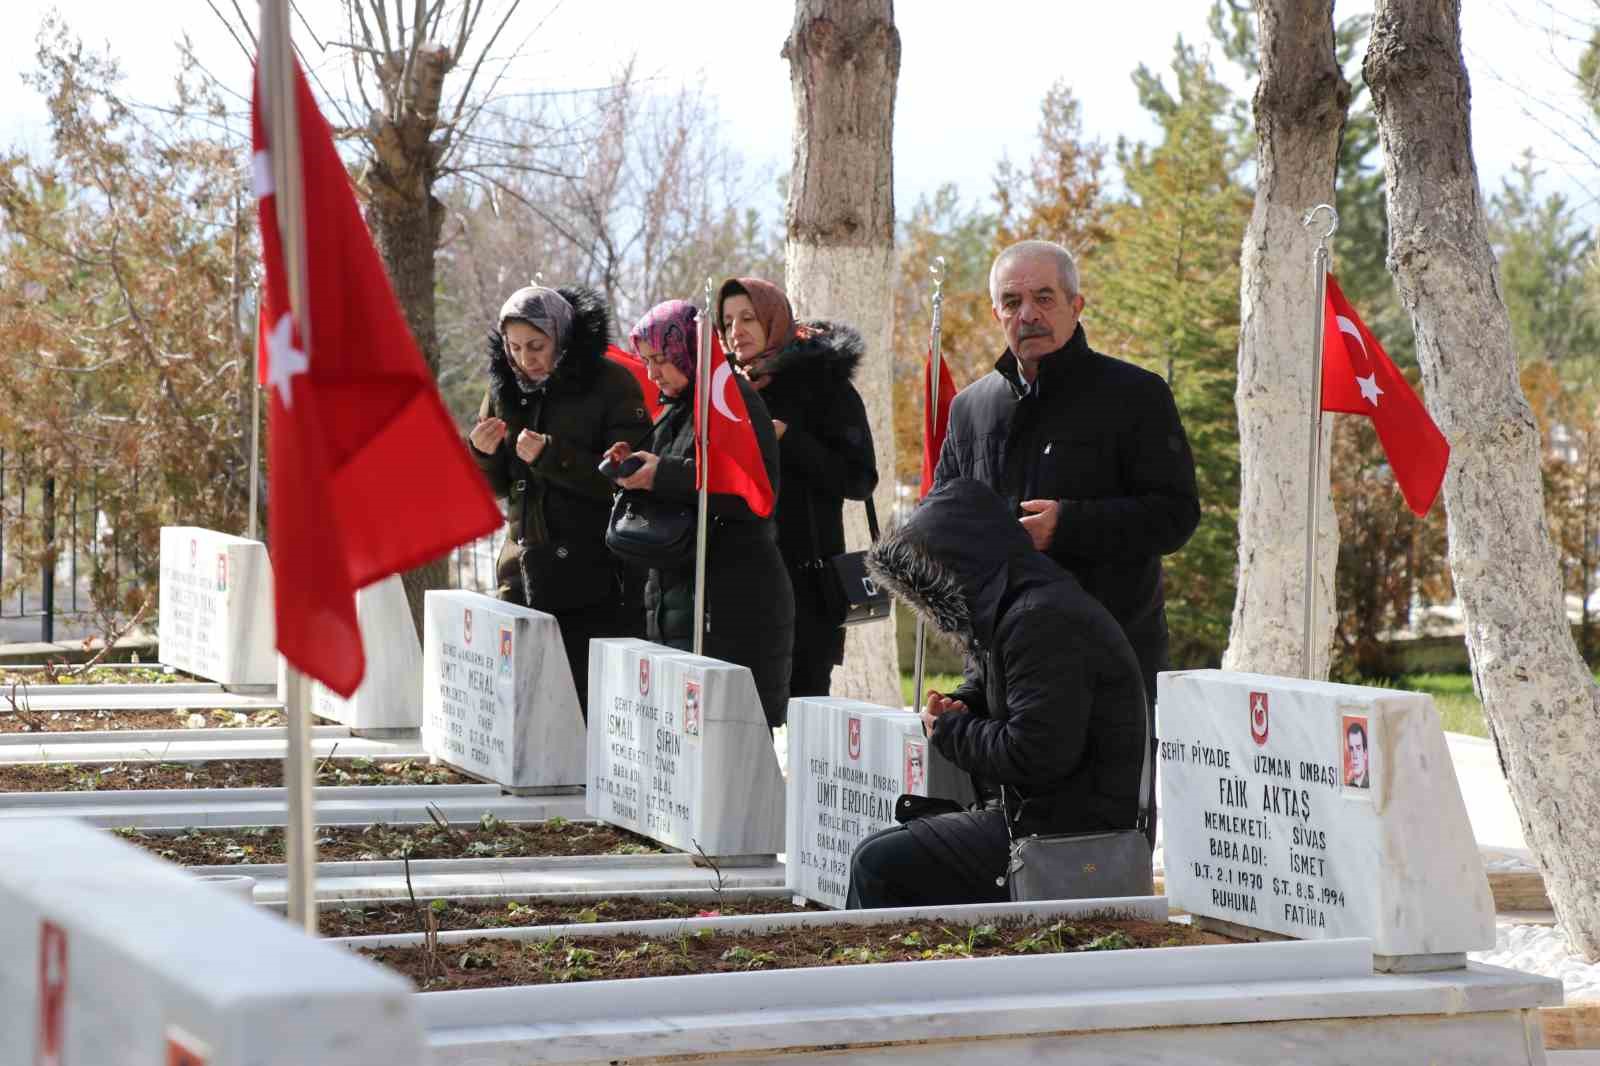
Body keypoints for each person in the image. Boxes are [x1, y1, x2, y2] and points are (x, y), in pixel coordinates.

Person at [933, 239, 1199, 843]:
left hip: (1112, 662)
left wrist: (1069, 525)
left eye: (1044, 298)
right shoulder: (971, 410)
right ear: (996, 314)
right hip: (1006, 666)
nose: (1028, 314)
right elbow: (942, 522)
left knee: (1101, 850)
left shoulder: (1134, 395)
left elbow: (1176, 515)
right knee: (1011, 849)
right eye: (1011, 301)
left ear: (1077, 305)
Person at [845, 478, 1147, 909]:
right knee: (881, 850)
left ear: (964, 566)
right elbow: (1003, 686)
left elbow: (1036, 753)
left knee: (878, 863)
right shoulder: (1018, 606)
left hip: (1068, 834)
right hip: (1044, 815)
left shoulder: (1039, 618)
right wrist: (965, 703)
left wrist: (952, 729)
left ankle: (881, 975)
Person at [604, 299, 796, 730]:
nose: (652, 373)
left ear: (687, 351)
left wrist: (662, 474)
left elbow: (751, 488)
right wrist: (633, 466)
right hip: (679, 593)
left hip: (732, 603)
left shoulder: (731, 400)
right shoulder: (676, 406)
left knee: (728, 745)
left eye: (660, 360)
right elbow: (680, 475)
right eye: (646, 361)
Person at [467, 284, 650, 719]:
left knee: (579, 711)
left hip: (592, 576)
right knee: (522, 711)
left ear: (562, 337)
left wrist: (554, 457)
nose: (525, 359)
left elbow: (629, 480)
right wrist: (482, 454)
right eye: (513, 347)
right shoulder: (502, 388)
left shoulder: (611, 384)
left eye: (536, 346)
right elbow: (497, 488)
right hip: (521, 569)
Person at [716, 277, 878, 697]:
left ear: (774, 319)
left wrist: (789, 439)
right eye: (728, 321)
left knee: (806, 718)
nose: (737, 331)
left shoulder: (825, 387)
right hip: (741, 584)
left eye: (749, 317)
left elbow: (860, 479)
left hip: (806, 587)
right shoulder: (725, 393)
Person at [1344, 719, 1370, 788]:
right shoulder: (1348, 785)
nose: (1354, 755)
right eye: (1352, 749)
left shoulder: (1372, 781)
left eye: (1358, 748)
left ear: (1365, 753)